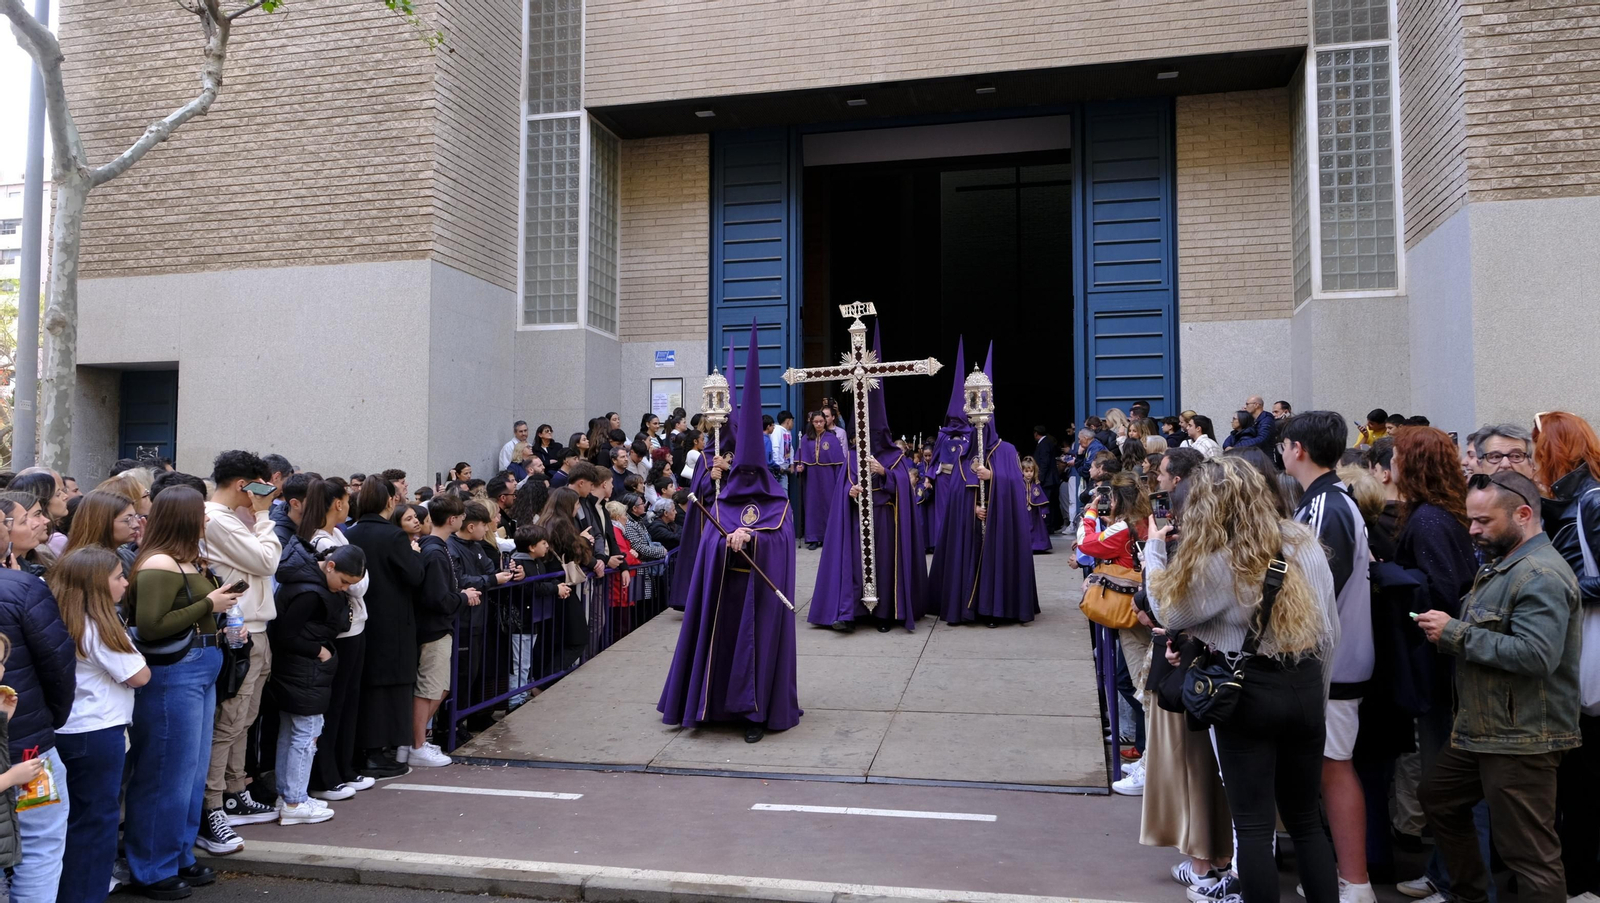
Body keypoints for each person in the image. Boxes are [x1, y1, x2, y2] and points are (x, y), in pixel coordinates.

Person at [1145, 456, 1341, 903]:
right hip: (1305, 683)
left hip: (1248, 690)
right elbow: (1331, 629)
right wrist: (1317, 700)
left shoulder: (1219, 558)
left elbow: (1170, 613)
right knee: (1307, 821)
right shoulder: (1303, 542)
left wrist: (1154, 550)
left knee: (1253, 827)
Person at [1417, 470, 1580, 903]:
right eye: (1471, 520)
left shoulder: (1539, 574)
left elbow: (1536, 655)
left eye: (1483, 521)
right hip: (1486, 729)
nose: (1472, 530)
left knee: (1530, 854)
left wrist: (1454, 633)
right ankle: (1470, 895)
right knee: (1439, 798)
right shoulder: (1506, 565)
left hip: (1522, 736)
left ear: (1523, 514)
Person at [659, 327, 799, 743]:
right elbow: (707, 539)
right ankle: (708, 705)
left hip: (759, 595)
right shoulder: (722, 499)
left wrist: (752, 538)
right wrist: (725, 537)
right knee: (718, 643)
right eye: (744, 471)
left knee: (753, 650)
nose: (750, 478)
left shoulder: (779, 504)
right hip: (723, 587)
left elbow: (784, 542)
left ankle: (755, 716)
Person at [124, 486, 244, 892]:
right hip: (177, 670)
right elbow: (153, 624)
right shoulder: (158, 561)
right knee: (167, 772)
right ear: (182, 518)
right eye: (200, 513)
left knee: (190, 772)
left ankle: (178, 854)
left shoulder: (181, 559)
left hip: (198, 667)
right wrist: (210, 604)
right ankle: (153, 867)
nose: (206, 519)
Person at [1280, 410, 1375, 903]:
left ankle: (1354, 882)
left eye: (1285, 444)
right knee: (1327, 765)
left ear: (1297, 449)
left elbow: (1311, 592)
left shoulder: (1324, 506)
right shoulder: (1329, 500)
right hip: (1334, 658)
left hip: (1331, 662)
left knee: (1334, 766)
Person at [1385, 427, 1481, 902]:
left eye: (1398, 456)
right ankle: (1445, 872)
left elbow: (1444, 597)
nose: (1392, 464)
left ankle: (1451, 879)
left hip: (1440, 667)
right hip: (1448, 666)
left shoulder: (1427, 521)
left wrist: (1393, 582)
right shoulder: (1443, 514)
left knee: (1444, 781)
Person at [809, 329, 928, 633]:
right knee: (854, 565)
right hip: (856, 520)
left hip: (885, 519)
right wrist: (849, 490)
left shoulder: (895, 457)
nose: (868, 437)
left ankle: (886, 614)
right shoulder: (850, 455)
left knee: (885, 566)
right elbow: (841, 490)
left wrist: (884, 473)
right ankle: (852, 611)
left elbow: (904, 487)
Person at [51, 547, 150, 903]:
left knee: (68, 821)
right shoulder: (99, 626)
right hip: (98, 733)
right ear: (97, 586)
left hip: (65, 730)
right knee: (96, 824)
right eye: (118, 577)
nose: (125, 583)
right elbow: (140, 675)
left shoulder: (59, 620)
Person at [1529, 411, 1600, 896]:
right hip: (1578, 644)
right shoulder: (1575, 499)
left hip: (1589, 644)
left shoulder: (1592, 499)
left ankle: (1584, 881)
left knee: (1584, 781)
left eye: (1535, 448)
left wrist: (1560, 585)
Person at [201, 451, 285, 835]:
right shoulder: (216, 520)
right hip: (240, 630)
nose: (265, 493)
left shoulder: (231, 520)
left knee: (244, 718)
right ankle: (213, 804)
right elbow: (267, 561)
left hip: (255, 627)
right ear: (242, 485)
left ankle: (235, 789)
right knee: (230, 720)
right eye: (259, 486)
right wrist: (265, 515)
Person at [931, 344, 1039, 626]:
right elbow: (956, 492)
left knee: (996, 564)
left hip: (999, 523)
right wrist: (971, 510)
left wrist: (993, 479)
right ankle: (969, 608)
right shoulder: (967, 453)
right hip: (974, 524)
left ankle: (996, 609)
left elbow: (1017, 488)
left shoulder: (1006, 451)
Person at [268, 543, 365, 826]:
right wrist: (319, 651)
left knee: (294, 732)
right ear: (330, 566)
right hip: (304, 671)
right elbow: (286, 635)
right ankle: (294, 800)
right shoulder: (311, 593)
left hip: (297, 672)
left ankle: (289, 796)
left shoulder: (305, 583)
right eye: (344, 582)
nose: (344, 588)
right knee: (305, 734)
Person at [301, 480, 376, 802]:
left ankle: (343, 767)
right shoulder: (318, 539)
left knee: (348, 702)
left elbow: (360, 579)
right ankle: (324, 775)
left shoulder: (338, 534)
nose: (349, 504)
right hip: (339, 631)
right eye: (346, 499)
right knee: (333, 706)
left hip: (356, 626)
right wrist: (357, 579)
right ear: (337, 504)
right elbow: (358, 585)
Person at [345, 477, 424, 779]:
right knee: (389, 687)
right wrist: (415, 555)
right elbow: (414, 576)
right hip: (394, 620)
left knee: (366, 685)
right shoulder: (393, 537)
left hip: (361, 617)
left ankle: (365, 750)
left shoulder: (350, 533)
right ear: (390, 502)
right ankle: (378, 752)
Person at [411, 493, 478, 766]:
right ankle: (415, 744)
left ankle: (415, 741)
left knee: (439, 688)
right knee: (430, 689)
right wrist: (462, 596)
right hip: (434, 628)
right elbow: (437, 597)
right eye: (461, 517)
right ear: (453, 520)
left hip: (437, 627)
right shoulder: (436, 551)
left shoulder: (434, 548)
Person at [795, 413, 844, 550]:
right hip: (812, 477)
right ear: (811, 422)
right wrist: (800, 467)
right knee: (812, 506)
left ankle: (828, 537)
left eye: (821, 421)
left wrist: (839, 480)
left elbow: (839, 462)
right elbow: (801, 459)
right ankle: (813, 538)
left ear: (825, 421)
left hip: (829, 476)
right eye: (815, 421)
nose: (818, 424)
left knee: (828, 505)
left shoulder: (832, 438)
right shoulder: (805, 439)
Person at [63, 489, 141, 573]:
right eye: (127, 520)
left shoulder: (127, 556)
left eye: (135, 517)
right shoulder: (84, 567)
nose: (136, 525)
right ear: (102, 523)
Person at [1034, 425, 1063, 532]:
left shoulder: (1044, 444)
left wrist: (1040, 478)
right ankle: (1052, 525)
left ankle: (1048, 526)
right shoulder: (1047, 442)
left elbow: (1044, 462)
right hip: (1050, 479)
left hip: (1047, 480)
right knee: (1052, 503)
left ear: (1036, 433)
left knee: (1047, 503)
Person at [1022, 456, 1052, 553]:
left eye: (1031, 471)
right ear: (1022, 471)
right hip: (1023, 512)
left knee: (1036, 529)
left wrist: (1044, 511)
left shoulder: (1036, 485)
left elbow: (1041, 498)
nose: (1029, 474)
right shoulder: (1019, 484)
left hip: (1035, 514)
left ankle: (1037, 546)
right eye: (1026, 471)